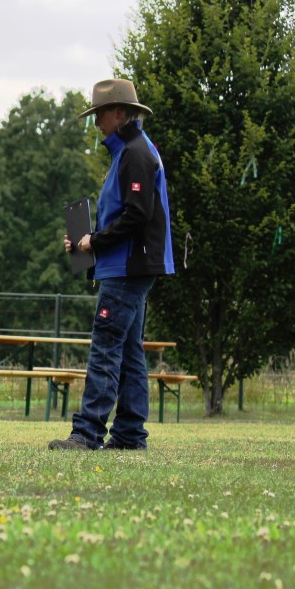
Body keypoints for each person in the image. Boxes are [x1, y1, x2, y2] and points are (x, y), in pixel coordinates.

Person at [49, 78, 175, 451]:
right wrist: (84, 241)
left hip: (127, 268)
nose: (97, 123)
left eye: (100, 114)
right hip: (129, 266)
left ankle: (87, 433)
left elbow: (138, 215)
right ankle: (130, 435)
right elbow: (127, 214)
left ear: (119, 113)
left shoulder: (135, 153)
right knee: (130, 351)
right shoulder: (130, 150)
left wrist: (96, 241)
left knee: (105, 346)